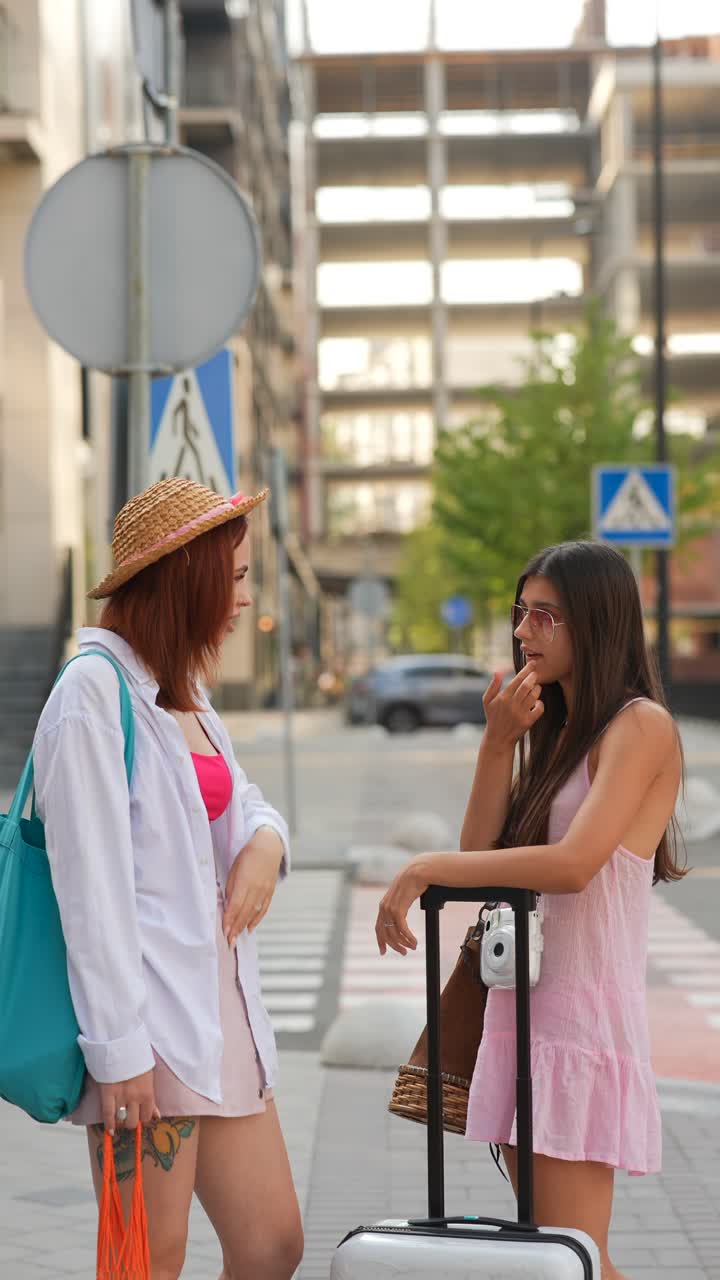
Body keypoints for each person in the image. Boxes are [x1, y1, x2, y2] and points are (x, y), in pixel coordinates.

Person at [375, 540, 685, 1280]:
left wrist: (424, 869)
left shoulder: (639, 728)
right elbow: (482, 851)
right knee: (561, 1256)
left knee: (570, 1256)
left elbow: (574, 868)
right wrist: (496, 744)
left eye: (544, 614)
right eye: (522, 613)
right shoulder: (559, 734)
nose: (523, 632)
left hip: (579, 1024)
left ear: (596, 621)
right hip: (522, 1018)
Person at [33, 477, 304, 1280]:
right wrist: (119, 1054)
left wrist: (264, 843)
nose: (245, 598)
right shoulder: (92, 695)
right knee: (147, 1261)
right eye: (239, 576)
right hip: (146, 1024)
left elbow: (242, 801)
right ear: (189, 576)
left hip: (217, 1016)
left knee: (271, 1244)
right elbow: (91, 894)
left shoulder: (181, 689)